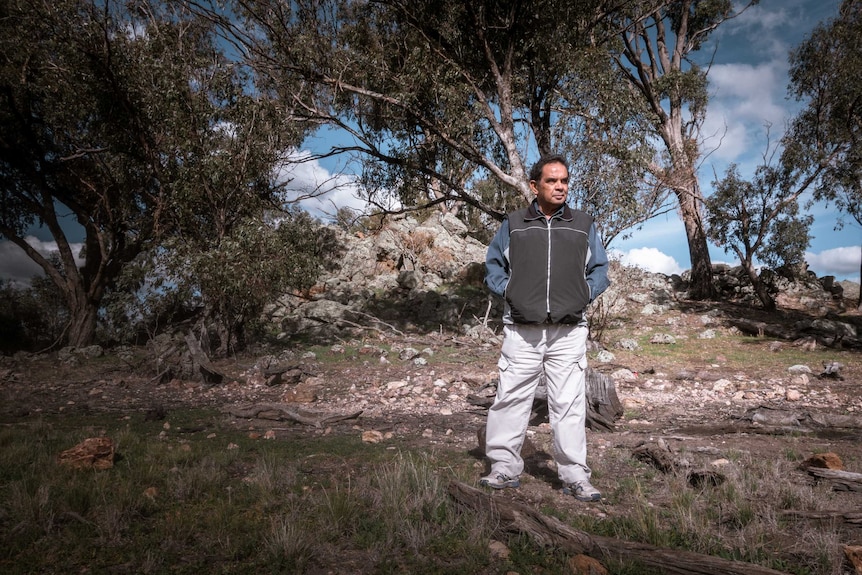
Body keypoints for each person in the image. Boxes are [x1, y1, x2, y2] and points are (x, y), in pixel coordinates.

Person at [480, 153, 610, 502]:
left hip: (568, 331)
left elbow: (600, 270)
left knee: (569, 404)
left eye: (564, 181)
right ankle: (503, 469)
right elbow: (493, 266)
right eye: (552, 181)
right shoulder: (514, 224)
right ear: (535, 186)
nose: (560, 187)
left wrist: (584, 293)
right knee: (510, 398)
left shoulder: (582, 224)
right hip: (522, 329)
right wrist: (510, 292)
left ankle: (575, 476)